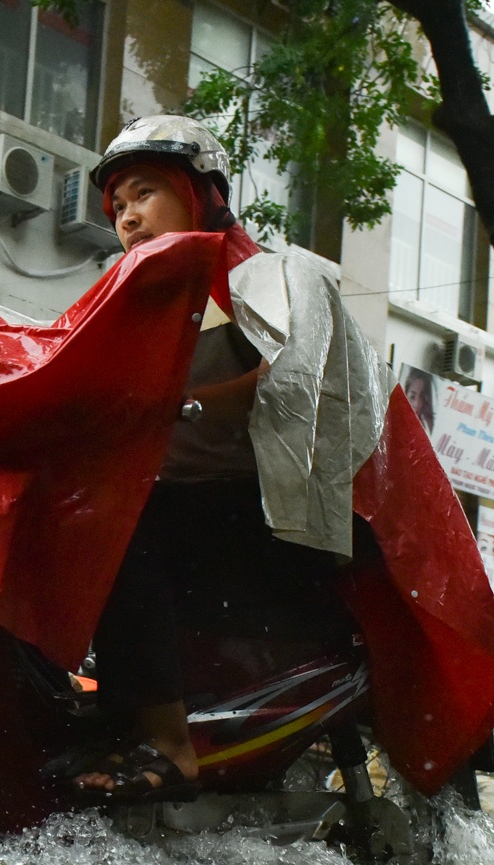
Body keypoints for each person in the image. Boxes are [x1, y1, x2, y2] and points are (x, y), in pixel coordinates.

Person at [73, 116, 385, 802]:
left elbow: (297, 375)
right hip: (182, 511)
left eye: (145, 194)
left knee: (120, 523)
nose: (128, 216)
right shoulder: (124, 301)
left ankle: (168, 743)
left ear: (199, 193)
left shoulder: (269, 278)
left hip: (263, 521)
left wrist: (190, 404)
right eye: (118, 206)